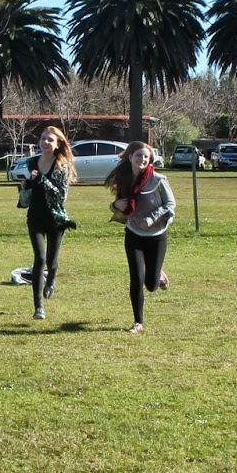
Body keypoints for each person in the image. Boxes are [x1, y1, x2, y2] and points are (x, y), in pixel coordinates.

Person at [106, 141, 174, 335]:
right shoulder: (124, 179)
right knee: (136, 278)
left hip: (157, 235)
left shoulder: (158, 179)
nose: (142, 159)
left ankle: (158, 275)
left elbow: (170, 203)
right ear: (130, 157)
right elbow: (117, 205)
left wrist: (151, 219)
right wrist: (115, 205)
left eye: (146, 156)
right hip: (133, 234)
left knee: (150, 285)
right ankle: (138, 322)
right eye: (138, 156)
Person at [19, 125, 77, 320]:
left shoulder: (61, 166)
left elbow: (61, 196)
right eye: (43, 138)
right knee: (40, 259)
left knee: (51, 261)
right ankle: (38, 307)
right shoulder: (32, 162)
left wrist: (42, 180)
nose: (45, 142)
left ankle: (51, 280)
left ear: (58, 144)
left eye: (50, 140)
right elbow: (29, 191)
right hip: (35, 217)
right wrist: (25, 186)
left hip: (55, 219)